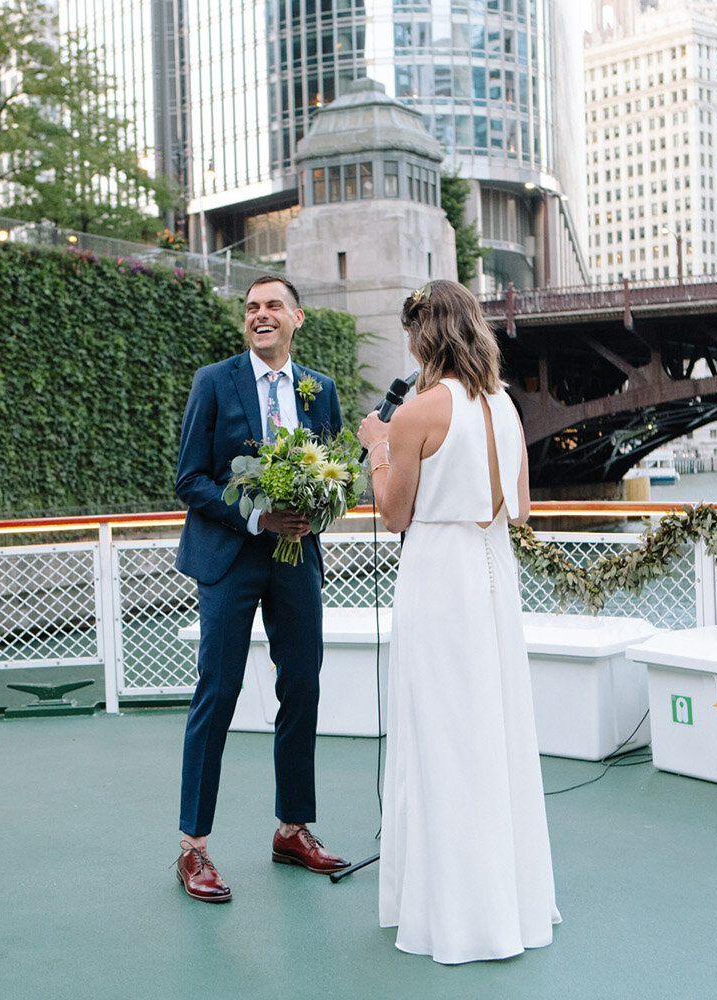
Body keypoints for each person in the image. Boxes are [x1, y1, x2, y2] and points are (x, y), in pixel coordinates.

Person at [357, 279, 559, 963]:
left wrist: (379, 446)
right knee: (492, 733)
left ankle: (456, 912)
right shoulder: (504, 405)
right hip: (494, 572)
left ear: (423, 338)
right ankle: (510, 904)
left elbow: (394, 513)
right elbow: (523, 506)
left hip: (440, 575)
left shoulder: (418, 412)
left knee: (440, 735)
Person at [172, 275, 351, 902]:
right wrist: (254, 517)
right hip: (230, 556)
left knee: (302, 685)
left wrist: (317, 510)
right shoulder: (213, 382)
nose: (260, 315)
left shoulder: (320, 389)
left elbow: (336, 474)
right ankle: (193, 848)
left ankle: (292, 829)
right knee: (217, 691)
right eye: (251, 308)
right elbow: (189, 479)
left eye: (273, 305)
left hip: (296, 558)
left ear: (297, 318)